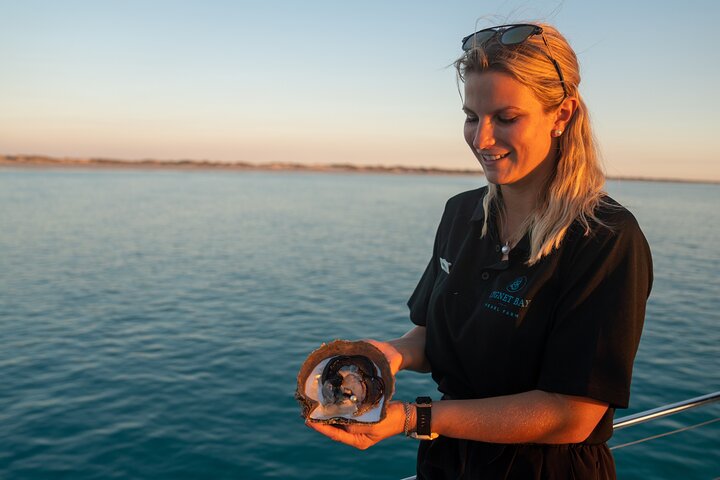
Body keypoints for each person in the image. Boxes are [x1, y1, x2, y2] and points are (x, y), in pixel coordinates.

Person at [307, 22, 652, 479]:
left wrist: (417, 417)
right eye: (472, 116)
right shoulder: (461, 213)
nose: (481, 139)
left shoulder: (605, 237)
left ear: (562, 115)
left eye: (506, 118)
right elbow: (433, 335)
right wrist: (393, 354)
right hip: (448, 464)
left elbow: (574, 414)